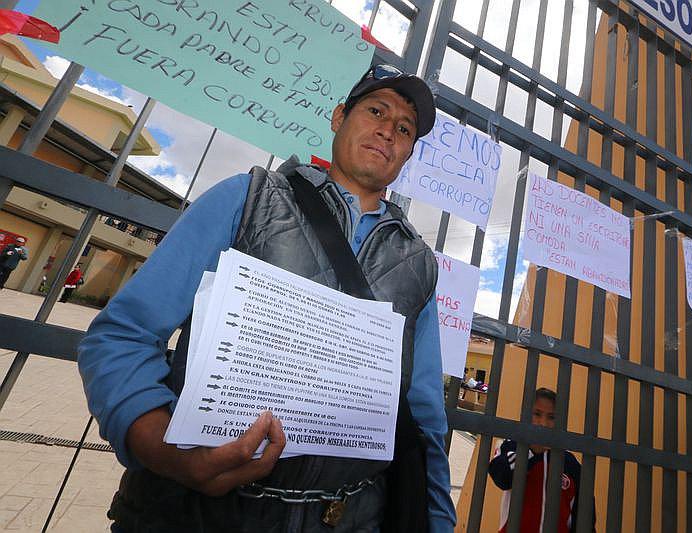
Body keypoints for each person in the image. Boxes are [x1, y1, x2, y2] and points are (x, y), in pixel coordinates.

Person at [78, 64, 456, 532]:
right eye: (376, 110)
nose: (387, 130)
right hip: (195, 515)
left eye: (404, 128)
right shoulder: (247, 198)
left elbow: (425, 415)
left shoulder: (419, 263)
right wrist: (160, 447)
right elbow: (124, 335)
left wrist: (437, 521)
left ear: (407, 153)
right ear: (339, 117)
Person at [488, 388, 595, 533]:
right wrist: (531, 452)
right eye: (537, 414)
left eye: (551, 417)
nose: (543, 423)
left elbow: (585, 518)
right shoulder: (511, 445)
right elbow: (501, 477)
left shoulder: (569, 463)